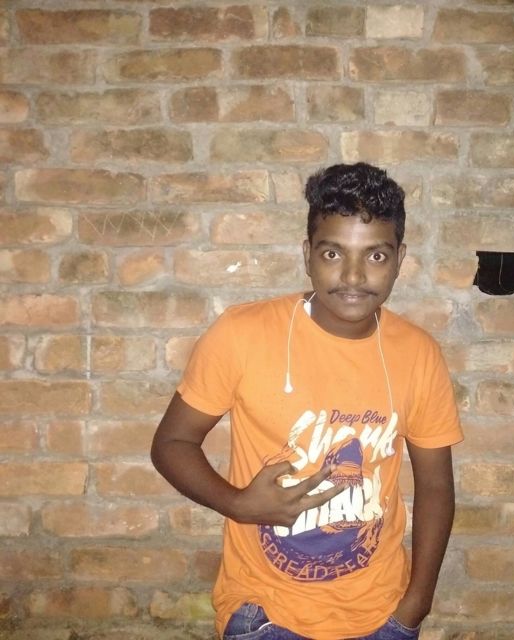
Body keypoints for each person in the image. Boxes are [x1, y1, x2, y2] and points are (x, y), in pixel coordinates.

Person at [151, 162, 463, 640]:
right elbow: (172, 443)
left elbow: (436, 484)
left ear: (399, 259)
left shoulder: (418, 353)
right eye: (333, 253)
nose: (353, 276)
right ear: (307, 254)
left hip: (382, 615)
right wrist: (238, 504)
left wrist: (415, 606)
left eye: (376, 256)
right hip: (265, 614)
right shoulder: (243, 334)